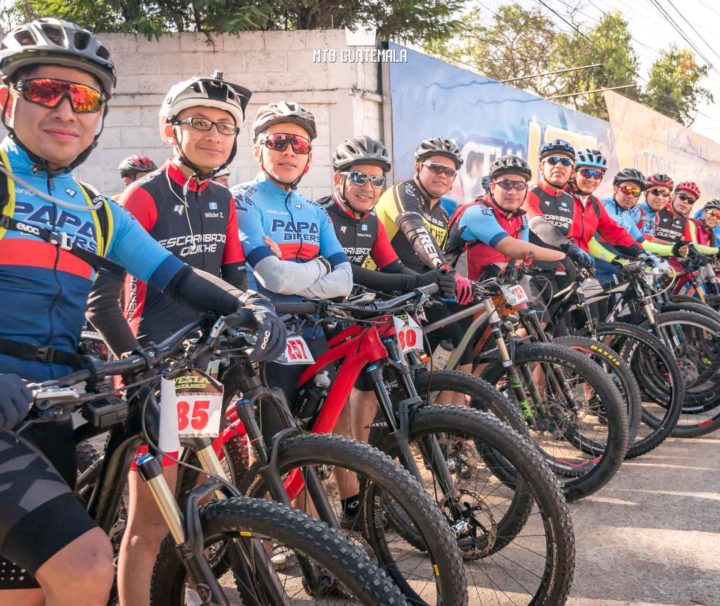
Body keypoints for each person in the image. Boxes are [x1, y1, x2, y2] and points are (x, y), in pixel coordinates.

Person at [0, 19, 285, 606]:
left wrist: (249, 303)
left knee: (28, 592)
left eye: (83, 98)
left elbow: (178, 276)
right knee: (83, 567)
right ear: (8, 98)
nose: (65, 110)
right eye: (45, 90)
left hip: (51, 411)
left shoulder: (97, 211)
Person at [85, 70, 255, 606]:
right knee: (149, 523)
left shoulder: (223, 200)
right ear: (169, 130)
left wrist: (250, 324)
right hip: (152, 367)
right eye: (198, 122)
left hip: (200, 367)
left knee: (190, 503)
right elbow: (100, 300)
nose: (211, 134)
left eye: (224, 126)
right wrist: (136, 366)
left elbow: (234, 279)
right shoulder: (142, 196)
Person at [317, 135, 457, 526]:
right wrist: (410, 284)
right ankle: (334, 509)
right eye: (359, 177)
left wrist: (431, 280)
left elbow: (393, 267)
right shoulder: (321, 215)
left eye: (377, 181)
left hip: (359, 324)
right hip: (320, 324)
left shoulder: (371, 221)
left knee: (363, 411)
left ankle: (357, 503)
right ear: (338, 180)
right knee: (330, 425)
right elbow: (344, 270)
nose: (369, 187)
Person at [231, 101, 353, 448]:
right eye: (278, 141)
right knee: (275, 446)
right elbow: (274, 278)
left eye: (299, 145)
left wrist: (298, 271)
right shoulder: (242, 200)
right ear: (258, 151)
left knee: (322, 439)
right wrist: (322, 265)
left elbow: (345, 282)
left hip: (313, 332)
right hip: (269, 336)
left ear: (309, 159)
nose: (289, 151)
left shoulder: (315, 211)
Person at [373, 137, 473, 381]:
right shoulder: (402, 192)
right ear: (418, 167)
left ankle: (453, 414)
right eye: (435, 167)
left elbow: (435, 257)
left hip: (413, 293)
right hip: (380, 291)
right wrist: (446, 269)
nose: (442, 175)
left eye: (449, 171)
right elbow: (416, 233)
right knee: (396, 370)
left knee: (462, 344)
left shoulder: (440, 213)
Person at [524, 142, 648, 290]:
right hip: (550, 267)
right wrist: (574, 249)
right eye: (586, 173)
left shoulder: (594, 204)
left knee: (597, 308)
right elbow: (541, 226)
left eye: (597, 175)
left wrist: (640, 252)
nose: (591, 179)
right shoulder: (558, 195)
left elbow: (614, 231)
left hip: (580, 268)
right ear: (574, 172)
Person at [446, 155, 566, 281]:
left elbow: (520, 258)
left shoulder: (521, 218)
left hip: (494, 293)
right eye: (506, 184)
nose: (513, 191)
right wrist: (562, 256)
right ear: (492, 187)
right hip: (459, 294)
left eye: (519, 186)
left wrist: (505, 267)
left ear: (526, 189)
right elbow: (510, 247)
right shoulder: (476, 211)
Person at [592, 168, 678, 284]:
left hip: (616, 273)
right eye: (627, 190)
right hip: (594, 273)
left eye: (635, 192)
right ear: (615, 188)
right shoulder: (604, 206)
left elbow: (644, 243)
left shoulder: (627, 216)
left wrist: (673, 250)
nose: (631, 195)